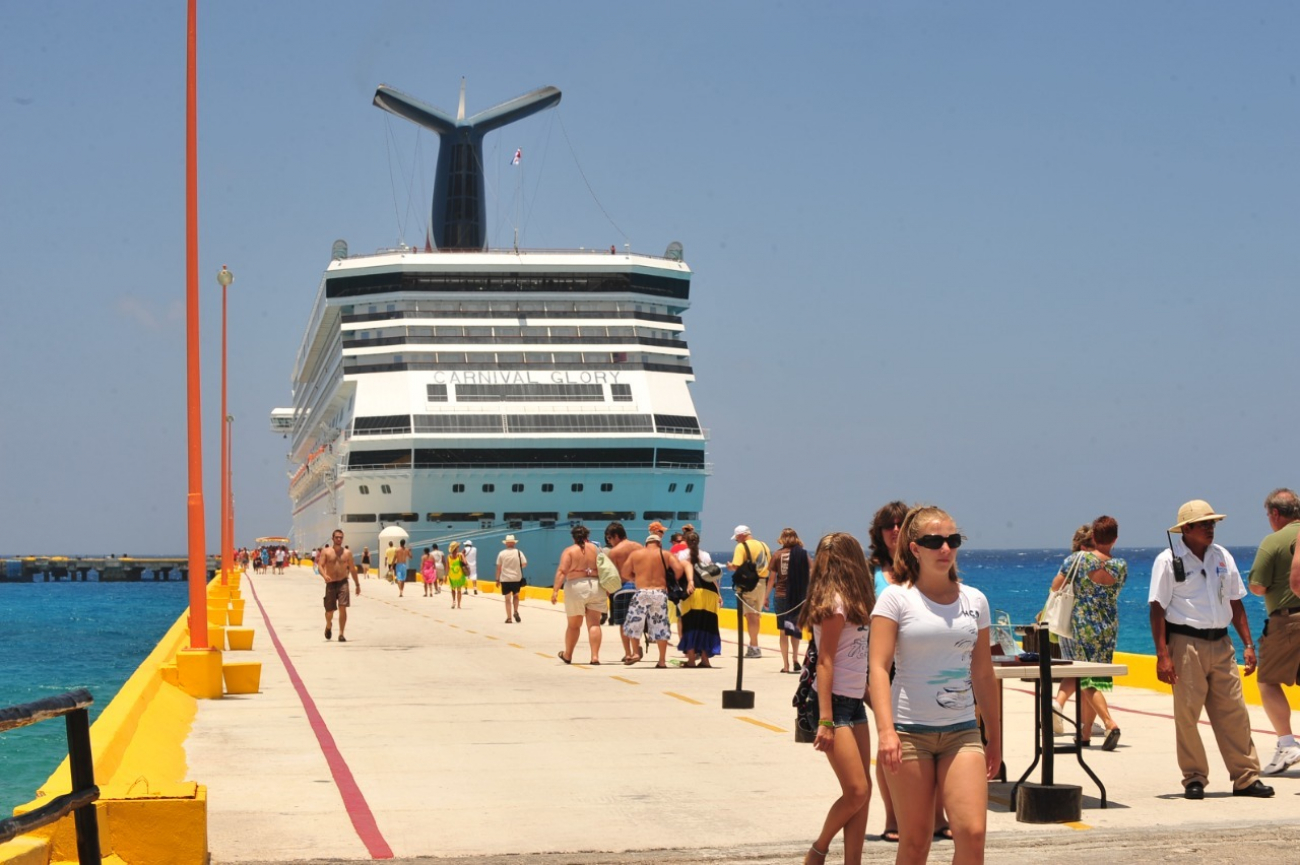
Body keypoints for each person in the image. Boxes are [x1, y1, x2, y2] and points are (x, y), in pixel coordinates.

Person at [869, 505, 1001, 865]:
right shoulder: (896, 599)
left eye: (952, 540)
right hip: (909, 733)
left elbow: (984, 673)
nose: (945, 548)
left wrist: (994, 735)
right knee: (915, 843)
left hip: (962, 732)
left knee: (972, 834)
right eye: (934, 541)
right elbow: (879, 668)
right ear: (914, 548)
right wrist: (885, 731)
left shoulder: (975, 601)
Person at [1148, 499, 1273, 799]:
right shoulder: (1167, 560)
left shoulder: (1222, 556)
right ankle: (1194, 777)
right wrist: (1163, 655)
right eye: (1205, 523)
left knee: (1234, 712)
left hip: (1221, 643)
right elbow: (1157, 608)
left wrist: (1248, 644)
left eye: (1213, 523)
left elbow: (1235, 601)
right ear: (1186, 528)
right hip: (1185, 643)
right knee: (1187, 715)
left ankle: (1245, 778)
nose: (1211, 528)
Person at [867, 499, 946, 845]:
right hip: (886, 666)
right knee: (892, 744)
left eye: (901, 524)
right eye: (889, 525)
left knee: (940, 744)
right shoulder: (870, 570)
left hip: (928, 666)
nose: (895, 530)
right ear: (879, 532)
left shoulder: (925, 568)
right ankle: (892, 816)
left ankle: (938, 818)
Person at [798, 532, 875, 865]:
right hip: (833, 706)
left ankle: (852, 861)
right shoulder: (835, 603)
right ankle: (819, 849)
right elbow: (826, 660)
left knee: (864, 791)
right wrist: (826, 720)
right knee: (857, 790)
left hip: (854, 702)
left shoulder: (853, 600)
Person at [1052, 516, 1126, 750]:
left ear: (1093, 536)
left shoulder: (1077, 560)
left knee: (1084, 678)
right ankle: (1084, 733)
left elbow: (1056, 586)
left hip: (1080, 625)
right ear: (1114, 539)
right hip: (1107, 626)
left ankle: (1108, 722)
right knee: (1097, 677)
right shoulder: (1121, 565)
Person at [1247, 488, 1300, 775]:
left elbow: (1257, 586)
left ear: (1276, 514)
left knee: (1267, 681)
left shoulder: (1274, 541)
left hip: (1287, 620)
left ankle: (1287, 743)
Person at [620, 533, 684, 668]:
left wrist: (635, 578)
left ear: (646, 544)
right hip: (659, 593)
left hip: (642, 592)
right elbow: (678, 569)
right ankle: (661, 661)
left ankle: (636, 652)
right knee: (660, 627)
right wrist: (669, 580)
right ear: (659, 543)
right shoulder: (665, 554)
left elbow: (624, 573)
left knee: (634, 624)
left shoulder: (636, 554)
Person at [552, 526, 604, 664]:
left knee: (574, 625)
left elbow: (562, 571)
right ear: (587, 535)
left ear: (573, 537)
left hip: (576, 586)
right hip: (596, 585)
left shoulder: (569, 551)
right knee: (594, 624)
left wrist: (555, 590)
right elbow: (606, 569)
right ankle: (595, 657)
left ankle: (568, 655)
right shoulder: (597, 550)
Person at [676, 529, 721, 667]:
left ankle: (691, 660)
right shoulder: (706, 555)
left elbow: (677, 574)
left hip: (692, 592)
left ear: (685, 542)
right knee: (707, 626)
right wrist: (719, 594)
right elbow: (712, 577)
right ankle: (705, 660)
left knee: (690, 626)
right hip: (709, 593)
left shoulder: (681, 555)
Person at [726, 525, 771, 658]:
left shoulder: (741, 547)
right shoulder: (764, 545)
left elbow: (737, 566)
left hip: (749, 585)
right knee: (756, 615)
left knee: (750, 616)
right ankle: (753, 644)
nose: (737, 541)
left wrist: (729, 567)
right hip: (762, 582)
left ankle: (754, 647)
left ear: (740, 535)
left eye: (736, 539)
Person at [770, 527, 810, 674]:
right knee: (794, 628)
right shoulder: (803, 555)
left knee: (783, 631)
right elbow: (810, 574)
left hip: (780, 595)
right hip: (797, 596)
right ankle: (795, 659)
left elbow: (772, 580)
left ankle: (786, 665)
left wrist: (766, 597)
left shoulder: (777, 555)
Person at [604, 522, 643, 663]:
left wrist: (607, 591)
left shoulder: (614, 552)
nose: (609, 541)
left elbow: (612, 575)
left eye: (609, 538)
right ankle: (636, 651)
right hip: (639, 588)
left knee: (624, 623)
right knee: (636, 621)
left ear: (616, 536)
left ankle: (628, 653)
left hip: (622, 589)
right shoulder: (639, 547)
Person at [318, 529, 360, 643]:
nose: (339, 539)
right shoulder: (326, 551)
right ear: (332, 538)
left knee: (343, 607)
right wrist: (324, 575)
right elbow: (320, 566)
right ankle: (328, 625)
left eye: (341, 537)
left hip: (343, 582)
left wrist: (357, 584)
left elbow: (352, 569)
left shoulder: (347, 553)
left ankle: (341, 634)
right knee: (329, 612)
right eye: (337, 537)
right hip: (330, 583)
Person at [497, 535, 527, 624]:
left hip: (505, 578)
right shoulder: (519, 552)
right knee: (516, 596)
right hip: (516, 578)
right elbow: (524, 564)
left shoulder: (501, 553)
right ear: (514, 543)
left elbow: (499, 567)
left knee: (507, 599)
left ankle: (509, 618)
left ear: (506, 543)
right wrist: (517, 567)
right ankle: (515, 611)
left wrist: (497, 579)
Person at [446, 541, 468, 609]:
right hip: (459, 575)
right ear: (456, 548)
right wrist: (463, 555)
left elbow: (447, 567)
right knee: (459, 590)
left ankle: (454, 601)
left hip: (452, 575)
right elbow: (465, 563)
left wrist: (445, 576)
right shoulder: (460, 555)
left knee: (453, 590)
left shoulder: (449, 556)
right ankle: (458, 605)